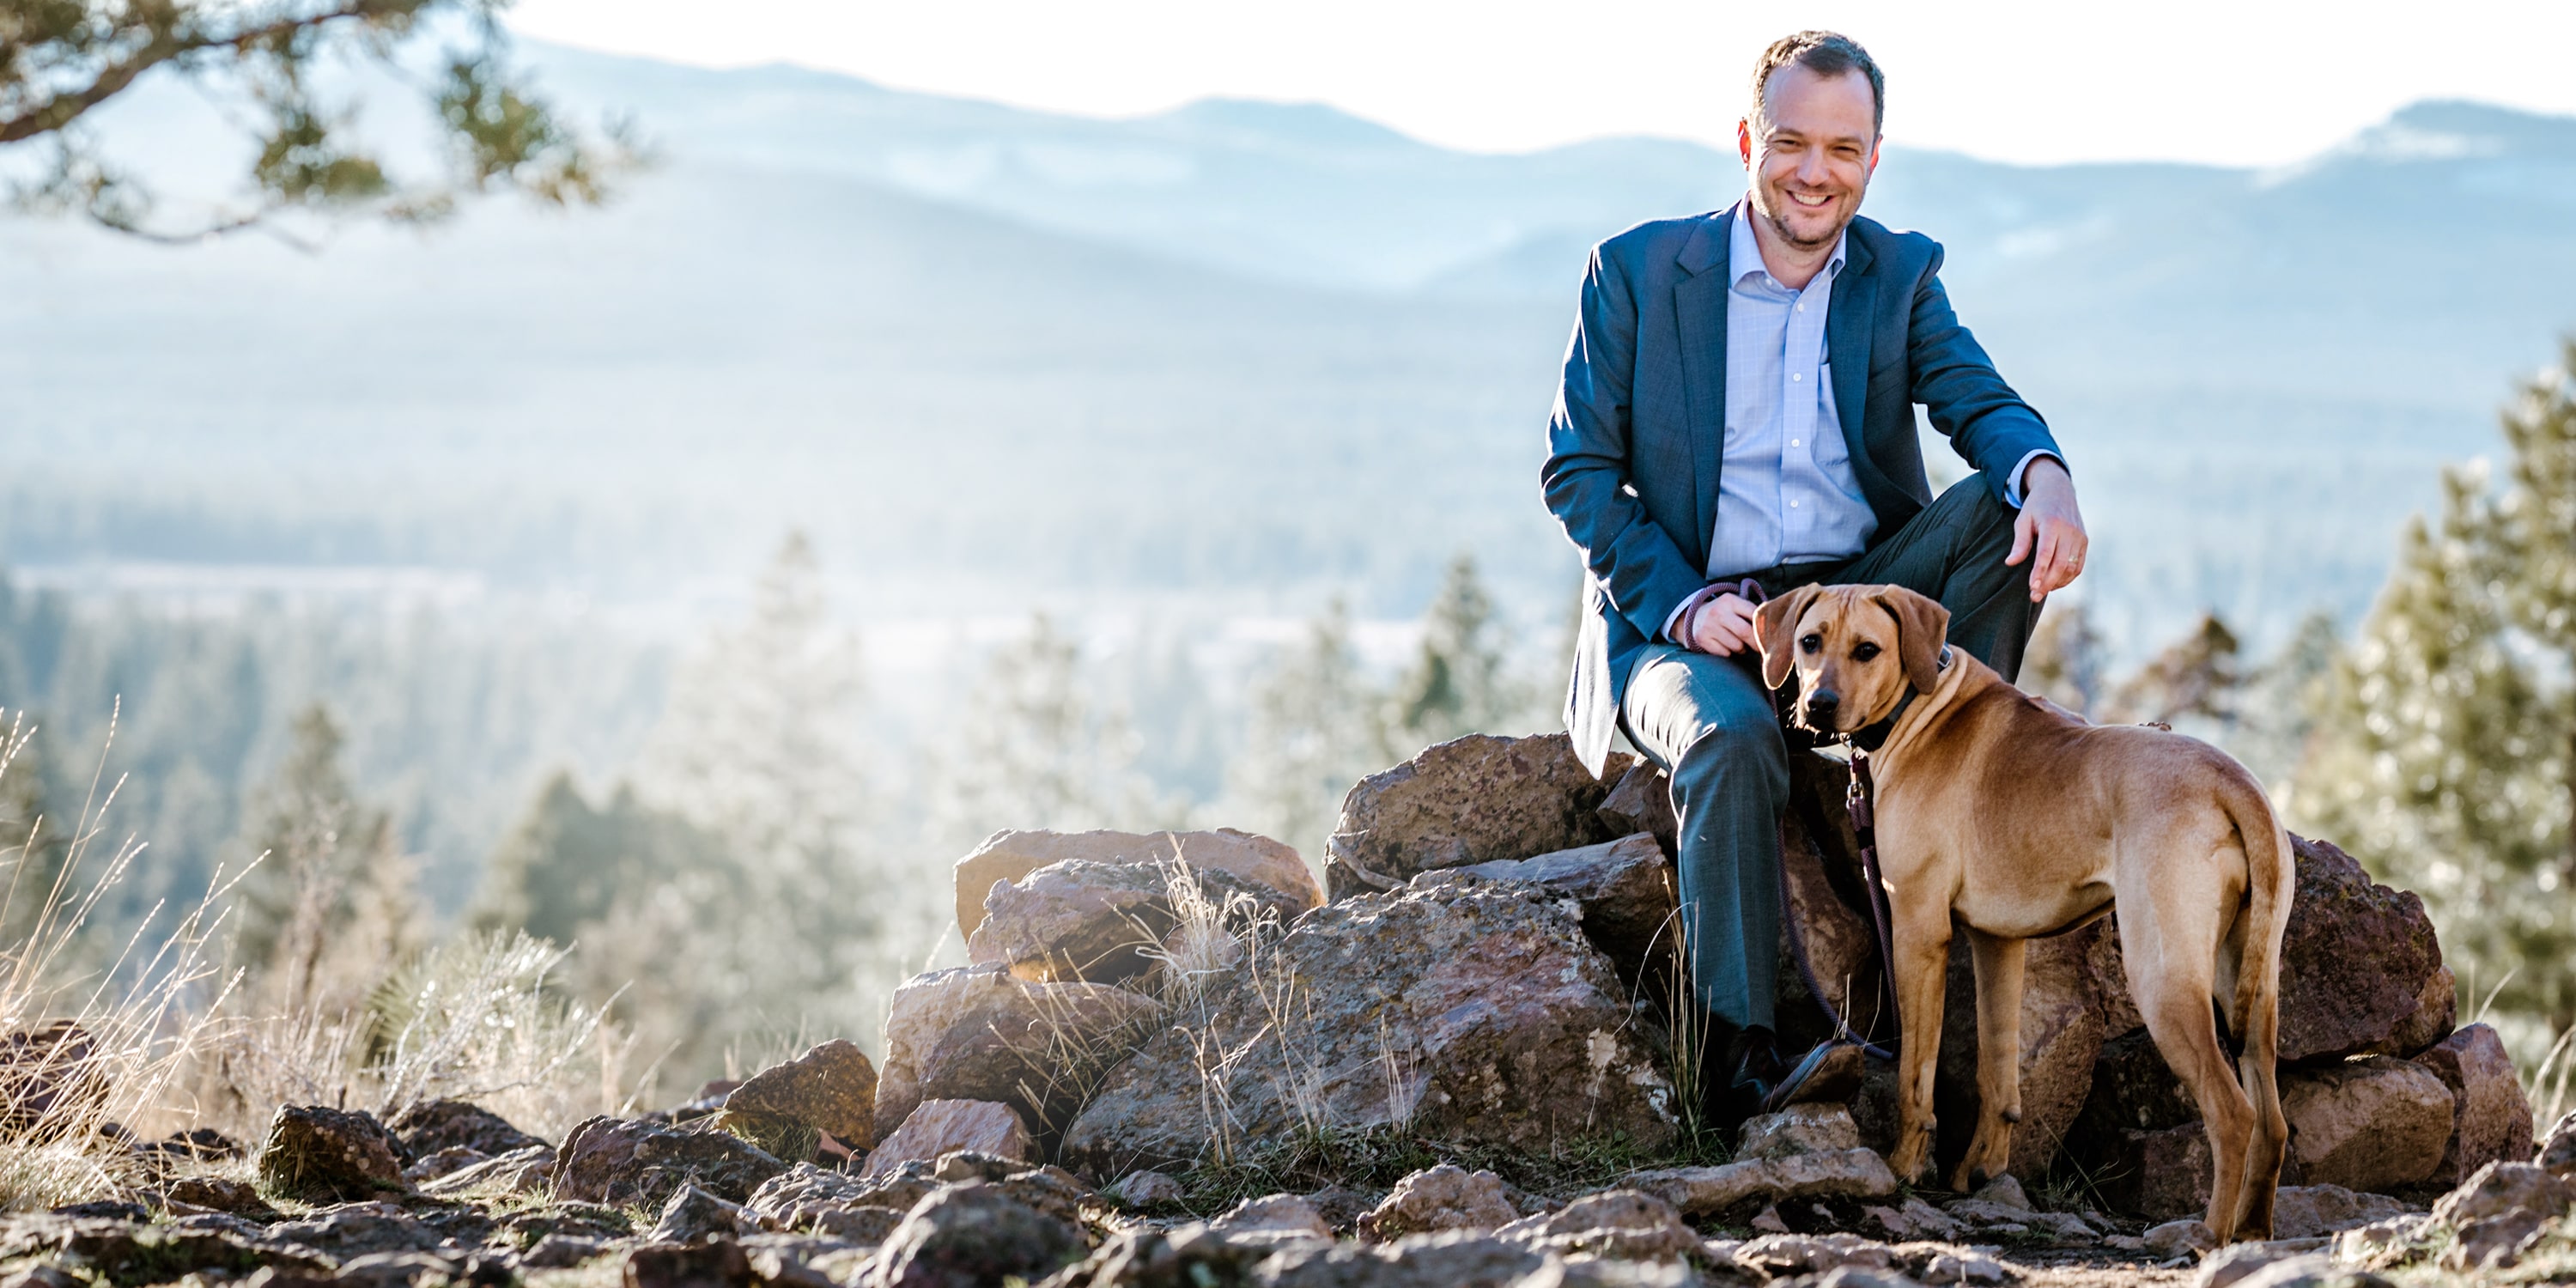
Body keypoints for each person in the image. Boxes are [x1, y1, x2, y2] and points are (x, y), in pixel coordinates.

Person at [1540, 30, 2089, 1121]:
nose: (1813, 171)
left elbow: (1978, 400)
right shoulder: (1640, 272)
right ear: (1750, 141)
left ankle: (1947, 769)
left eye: (1843, 148)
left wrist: (2048, 475)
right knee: (1735, 740)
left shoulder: (1900, 272)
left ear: (1874, 157)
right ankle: (1740, 1060)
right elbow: (1579, 472)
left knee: (2000, 508)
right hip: (1694, 611)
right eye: (1790, 142)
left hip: (1854, 602)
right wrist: (1687, 603)